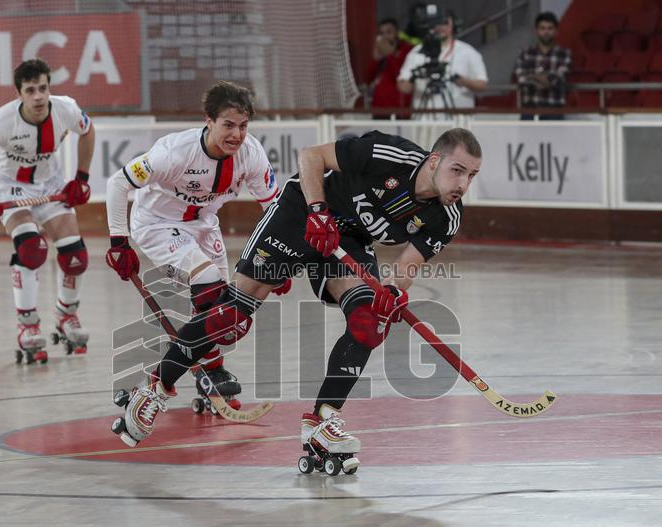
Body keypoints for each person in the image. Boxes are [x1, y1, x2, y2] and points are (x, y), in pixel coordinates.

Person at [111, 127, 483, 468]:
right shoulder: (390, 154)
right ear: (433, 161)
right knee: (231, 317)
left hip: (348, 241)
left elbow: (407, 265)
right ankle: (154, 389)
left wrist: (394, 292)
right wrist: (319, 212)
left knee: (369, 320)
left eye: (471, 175)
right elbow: (311, 156)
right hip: (301, 213)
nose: (463, 184)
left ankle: (322, 421)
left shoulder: (447, 216)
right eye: (457, 170)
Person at [104, 81, 281, 408]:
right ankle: (204, 371)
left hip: (204, 224)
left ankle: (206, 369)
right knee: (209, 285)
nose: (237, 135)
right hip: (157, 224)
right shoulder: (174, 152)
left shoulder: (251, 154)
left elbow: (275, 209)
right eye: (228, 125)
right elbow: (118, 183)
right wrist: (119, 242)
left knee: (225, 309)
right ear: (209, 121)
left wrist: (280, 256)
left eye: (243, 126)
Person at [0, 58, 95, 364]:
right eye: (30, 91)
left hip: (49, 184)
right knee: (31, 249)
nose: (38, 97)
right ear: (19, 94)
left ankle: (66, 316)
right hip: (7, 185)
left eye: (43, 88)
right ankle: (27, 325)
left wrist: (82, 177)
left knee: (76, 256)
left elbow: (88, 130)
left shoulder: (66, 109)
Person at [397, 9, 488, 116]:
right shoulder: (416, 52)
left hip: (457, 121)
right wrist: (415, 76)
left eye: (445, 22)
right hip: (424, 120)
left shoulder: (468, 52)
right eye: (437, 23)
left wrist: (463, 81)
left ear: (453, 25)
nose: (441, 27)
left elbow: (483, 85)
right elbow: (403, 87)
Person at [514, 11, 571, 119]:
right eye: (542, 28)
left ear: (556, 31)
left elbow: (559, 80)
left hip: (555, 111)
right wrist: (547, 78)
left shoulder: (564, 54)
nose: (546, 32)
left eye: (550, 28)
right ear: (536, 31)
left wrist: (534, 76)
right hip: (529, 110)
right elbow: (522, 79)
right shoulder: (525, 53)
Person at [365, 18, 413, 119]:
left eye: (389, 32)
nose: (385, 37)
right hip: (378, 110)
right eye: (382, 33)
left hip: (399, 111)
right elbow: (368, 80)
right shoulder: (380, 50)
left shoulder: (407, 50)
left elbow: (400, 77)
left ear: (397, 33)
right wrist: (375, 60)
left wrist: (390, 54)